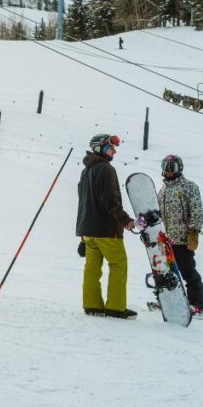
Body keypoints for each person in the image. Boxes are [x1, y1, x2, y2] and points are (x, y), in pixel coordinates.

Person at [76, 133, 136, 319]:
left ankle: (92, 305)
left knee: (92, 268)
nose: (114, 151)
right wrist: (125, 220)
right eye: (111, 148)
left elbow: (83, 203)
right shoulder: (105, 169)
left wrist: (82, 236)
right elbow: (111, 201)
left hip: (88, 231)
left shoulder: (86, 171)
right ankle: (115, 308)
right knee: (118, 264)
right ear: (99, 148)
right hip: (106, 231)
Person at [156, 155, 203, 313]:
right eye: (166, 167)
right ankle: (167, 301)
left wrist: (194, 230)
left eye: (173, 168)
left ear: (180, 168)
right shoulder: (162, 190)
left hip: (183, 239)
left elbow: (197, 210)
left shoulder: (189, 186)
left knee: (188, 271)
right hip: (166, 241)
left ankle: (196, 303)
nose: (169, 171)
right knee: (166, 273)